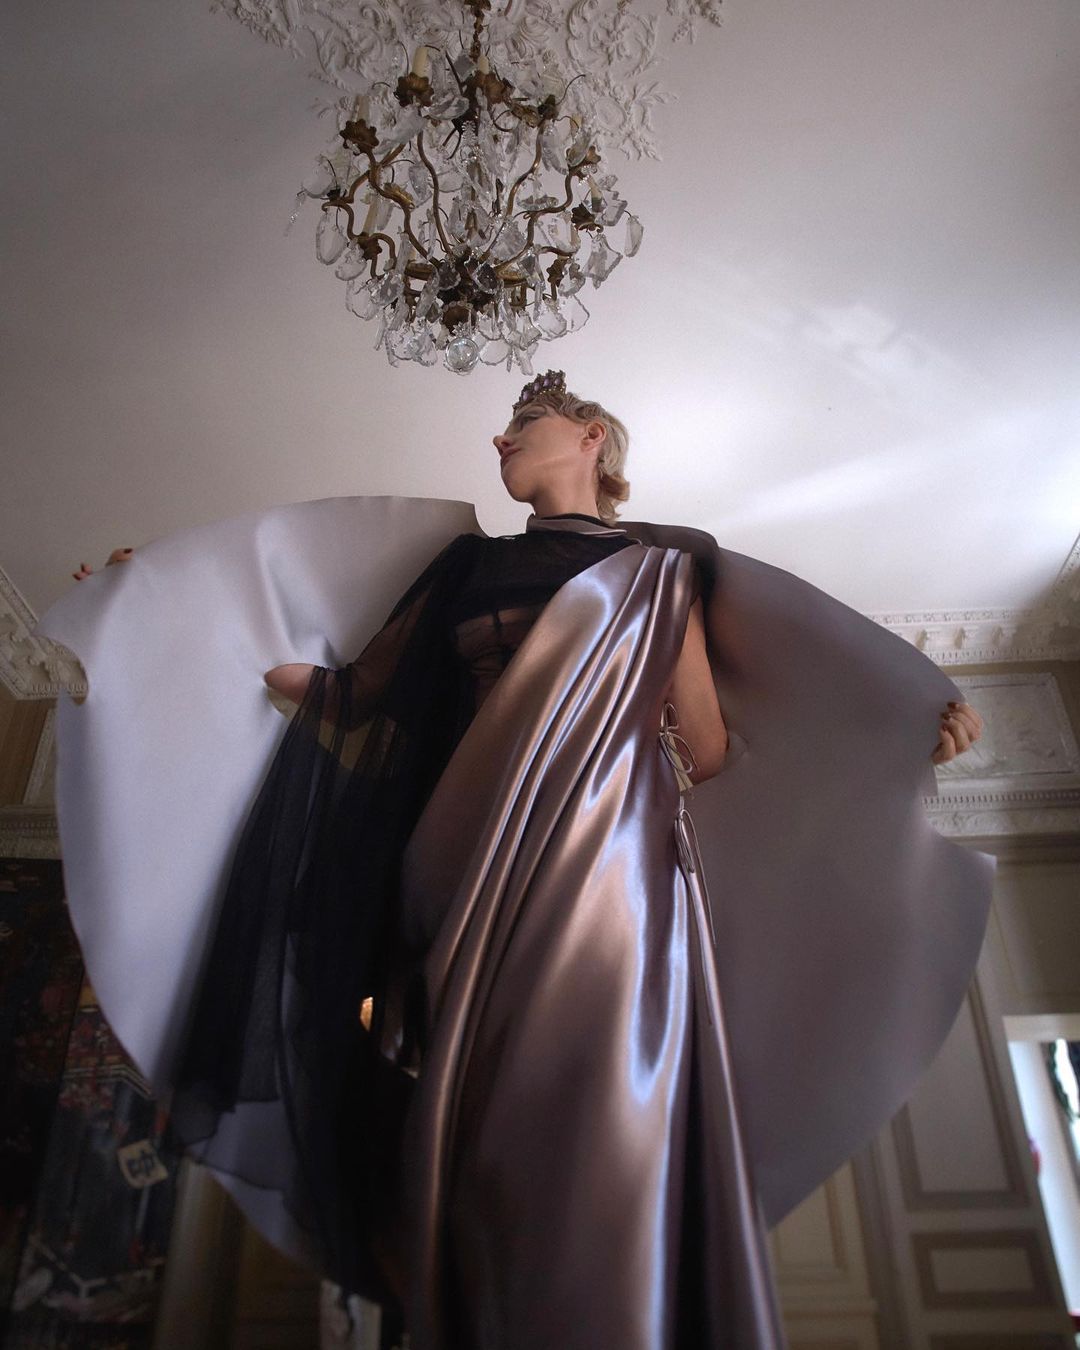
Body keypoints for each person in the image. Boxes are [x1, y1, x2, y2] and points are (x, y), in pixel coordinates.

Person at [61, 373, 989, 1350]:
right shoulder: (467, 567)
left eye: (523, 422)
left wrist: (894, 738)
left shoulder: (661, 577)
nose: (500, 439)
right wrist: (155, 609)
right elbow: (348, 694)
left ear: (592, 438)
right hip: (462, 861)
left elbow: (712, 750)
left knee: (602, 1089)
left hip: (614, 863)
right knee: (479, 1116)